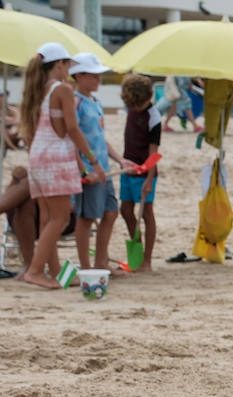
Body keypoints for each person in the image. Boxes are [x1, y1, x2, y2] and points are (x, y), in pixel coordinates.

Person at [19, 42, 104, 289]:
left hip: (38, 157)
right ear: (59, 64)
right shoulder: (62, 90)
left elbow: (46, 128)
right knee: (59, 218)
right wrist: (92, 162)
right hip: (56, 158)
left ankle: (56, 272)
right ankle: (35, 271)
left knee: (48, 219)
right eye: (67, 64)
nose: (68, 69)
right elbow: (71, 128)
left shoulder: (37, 90)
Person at [70, 53, 119, 274]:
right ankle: (86, 266)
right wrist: (82, 168)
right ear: (79, 75)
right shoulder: (75, 102)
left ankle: (101, 262)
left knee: (110, 212)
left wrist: (119, 158)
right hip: (89, 170)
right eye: (94, 76)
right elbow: (73, 138)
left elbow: (100, 137)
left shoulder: (95, 102)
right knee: (86, 218)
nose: (98, 80)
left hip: (104, 169)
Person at [119, 73, 160, 272]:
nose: (135, 109)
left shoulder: (154, 117)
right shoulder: (131, 107)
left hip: (145, 172)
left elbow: (154, 152)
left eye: (138, 106)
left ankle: (147, 261)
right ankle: (137, 250)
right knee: (125, 210)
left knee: (147, 214)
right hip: (128, 168)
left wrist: (149, 180)